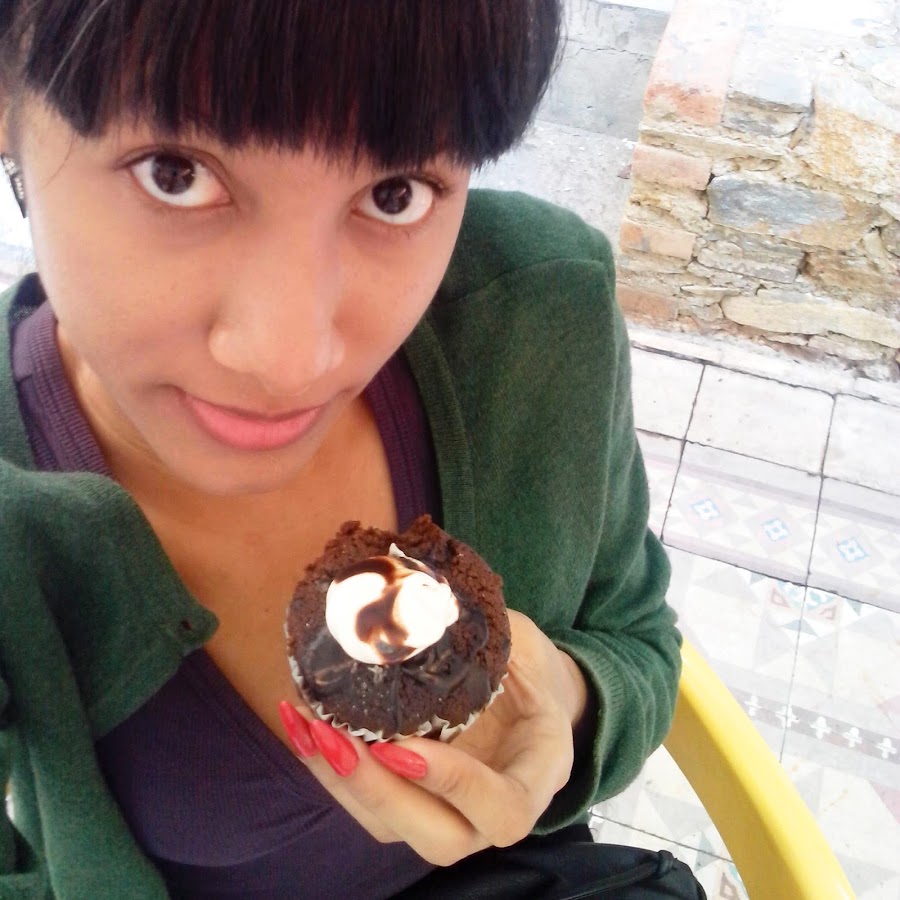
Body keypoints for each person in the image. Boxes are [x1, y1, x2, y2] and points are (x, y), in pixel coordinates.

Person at [0, 1, 687, 898]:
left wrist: (566, 698)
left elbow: (635, 635)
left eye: (396, 193)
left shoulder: (539, 313)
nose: (291, 361)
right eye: (174, 173)